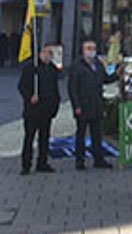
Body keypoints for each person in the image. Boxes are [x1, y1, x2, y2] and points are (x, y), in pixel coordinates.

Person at [68, 40, 119, 170]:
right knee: (81, 134)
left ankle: (98, 159)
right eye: (89, 48)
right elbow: (72, 88)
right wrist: (76, 105)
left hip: (97, 104)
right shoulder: (77, 66)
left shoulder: (98, 64)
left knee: (97, 134)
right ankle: (80, 160)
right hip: (83, 105)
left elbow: (105, 79)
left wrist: (116, 75)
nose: (92, 51)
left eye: (94, 48)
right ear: (83, 50)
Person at [17, 45, 60, 175]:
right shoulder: (31, 68)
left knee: (44, 138)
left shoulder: (52, 69)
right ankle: (26, 165)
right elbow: (21, 86)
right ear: (40, 53)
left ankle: (42, 162)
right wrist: (30, 96)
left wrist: (55, 105)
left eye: (50, 53)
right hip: (33, 110)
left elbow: (55, 88)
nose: (48, 55)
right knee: (29, 138)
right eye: (46, 52)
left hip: (46, 110)